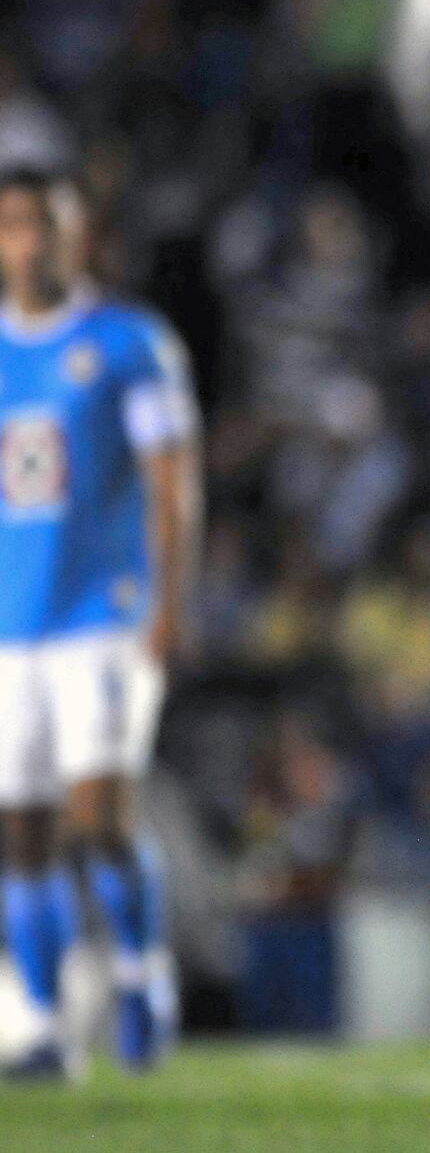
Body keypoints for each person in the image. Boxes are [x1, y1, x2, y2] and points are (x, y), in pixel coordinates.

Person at [0, 170, 199, 1079]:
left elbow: (170, 482)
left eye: (44, 226)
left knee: (98, 820)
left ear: (76, 236)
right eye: (12, 227)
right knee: (22, 833)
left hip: (102, 619)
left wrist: (168, 603)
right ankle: (41, 1027)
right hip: (12, 627)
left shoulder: (127, 344)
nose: (28, 244)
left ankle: (140, 971)